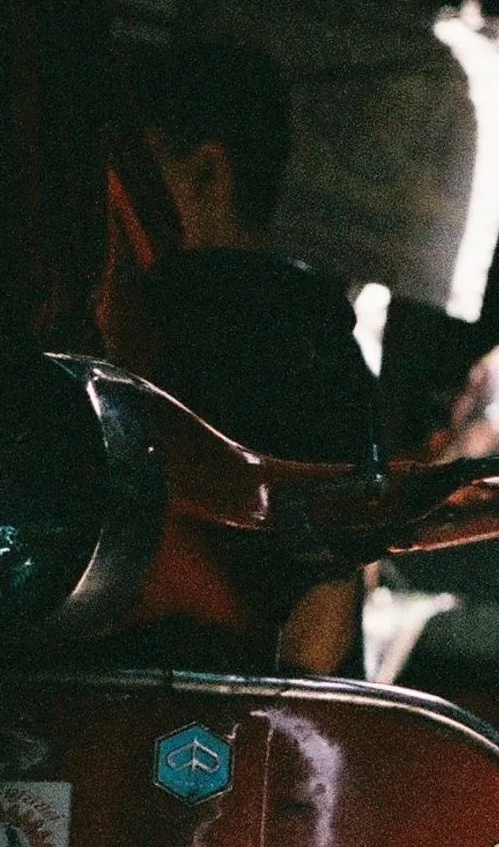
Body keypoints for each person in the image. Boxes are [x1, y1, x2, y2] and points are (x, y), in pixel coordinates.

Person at [135, 39, 377, 672]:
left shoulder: (286, 341)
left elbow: (318, 616)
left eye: (135, 174)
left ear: (209, 174)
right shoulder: (312, 340)